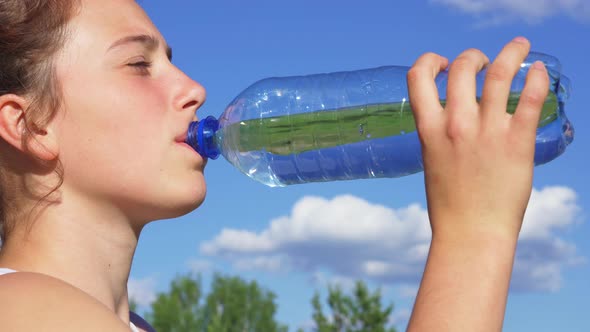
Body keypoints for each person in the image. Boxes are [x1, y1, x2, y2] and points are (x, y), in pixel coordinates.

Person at [0, 0, 549, 331]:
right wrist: (475, 233)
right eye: (139, 65)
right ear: (29, 126)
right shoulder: (22, 311)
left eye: (173, 60)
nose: (193, 88)